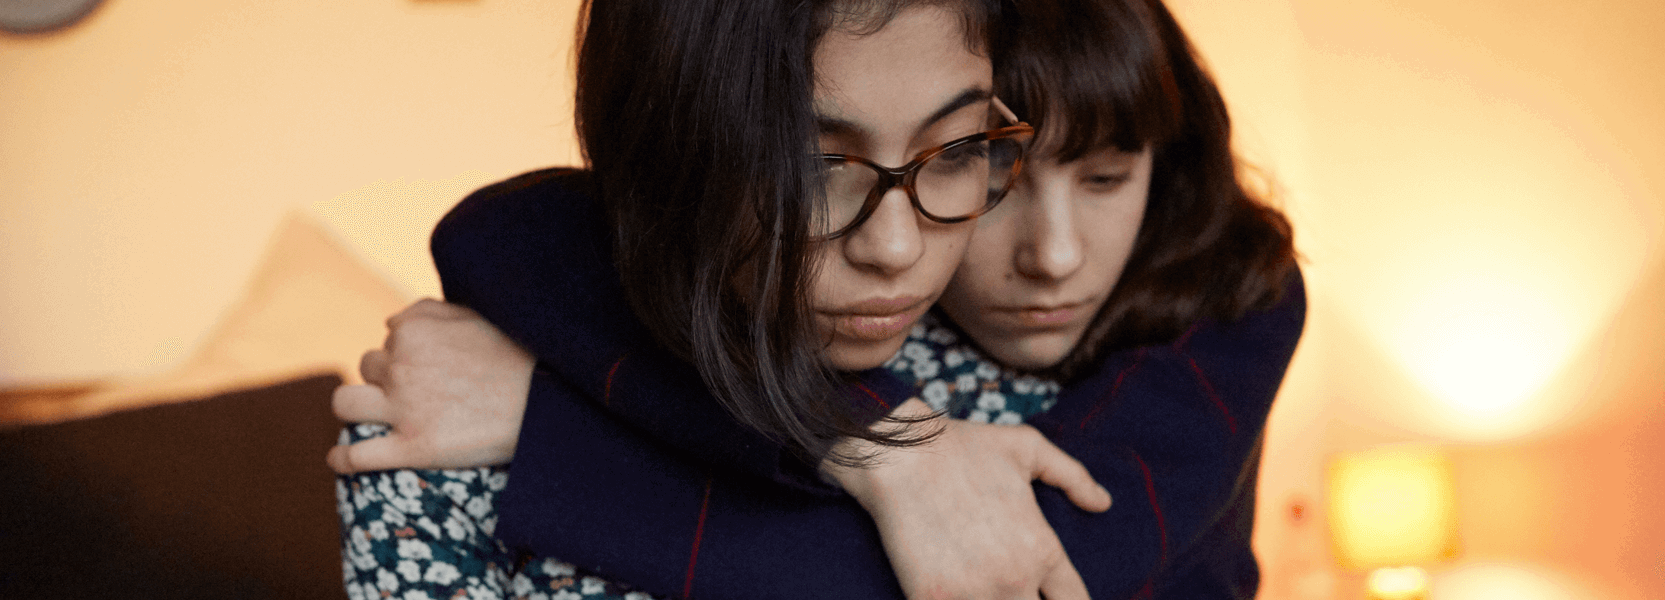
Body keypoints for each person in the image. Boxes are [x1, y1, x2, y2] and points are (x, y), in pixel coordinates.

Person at [331, 0, 1302, 597]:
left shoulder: (1229, 297)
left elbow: (1016, 573)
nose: (1051, 258)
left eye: (959, 153)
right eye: (812, 169)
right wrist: (882, 441)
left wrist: (548, 430)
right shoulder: (895, 319)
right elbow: (508, 231)